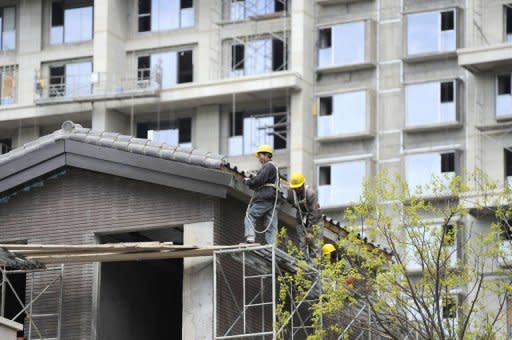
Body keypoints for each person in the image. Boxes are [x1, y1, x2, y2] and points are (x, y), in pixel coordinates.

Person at [243, 144, 280, 245]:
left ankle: (250, 237)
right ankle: (272, 245)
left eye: (261, 156)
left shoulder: (268, 166)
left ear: (268, 155)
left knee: (250, 215)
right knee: (271, 223)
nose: (259, 158)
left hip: (265, 197)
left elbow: (259, 180)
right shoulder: (275, 168)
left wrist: (248, 182)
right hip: (273, 198)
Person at [287, 172, 322, 261]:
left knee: (315, 245)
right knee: (301, 243)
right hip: (301, 220)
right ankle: (301, 264)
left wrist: (310, 231)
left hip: (315, 220)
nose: (296, 190)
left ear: (303, 184)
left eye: (298, 187)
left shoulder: (310, 193)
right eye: (294, 188)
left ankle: (314, 269)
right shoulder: (291, 194)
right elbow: (291, 202)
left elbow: (314, 212)